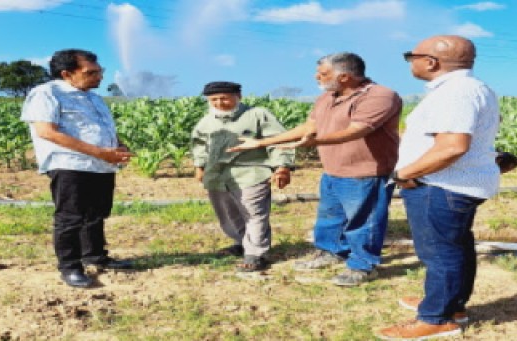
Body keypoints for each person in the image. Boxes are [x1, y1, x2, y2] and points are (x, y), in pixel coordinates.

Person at [229, 53, 402, 285]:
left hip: (366, 172)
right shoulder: (326, 97)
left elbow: (357, 130)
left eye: (323, 73)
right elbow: (309, 126)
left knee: (364, 221)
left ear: (344, 77)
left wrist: (315, 142)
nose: (316, 77)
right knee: (330, 217)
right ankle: (331, 252)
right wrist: (263, 143)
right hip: (333, 169)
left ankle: (363, 265)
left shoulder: (380, 96)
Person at [377, 36, 501, 340]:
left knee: (439, 252)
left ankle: (436, 318)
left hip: (440, 185)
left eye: (412, 55)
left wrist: (404, 173)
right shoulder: (471, 88)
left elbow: (452, 146)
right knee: (455, 246)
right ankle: (451, 304)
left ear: (431, 62)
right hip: (453, 185)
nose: (410, 62)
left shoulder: (455, 93)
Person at [21, 49, 134, 288]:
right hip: (70, 164)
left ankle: (95, 255)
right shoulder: (47, 93)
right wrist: (100, 152)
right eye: (91, 72)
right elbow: (47, 131)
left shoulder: (94, 98)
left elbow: (99, 129)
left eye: (99, 71)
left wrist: (117, 146)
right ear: (67, 73)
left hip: (101, 165)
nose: (99, 77)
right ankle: (70, 266)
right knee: (71, 217)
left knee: (96, 213)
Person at [191, 81, 295, 272]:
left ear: (239, 96)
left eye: (224, 98)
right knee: (228, 213)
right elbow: (199, 145)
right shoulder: (207, 120)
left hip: (251, 172)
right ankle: (240, 242)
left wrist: (282, 166)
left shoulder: (257, 115)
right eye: (214, 99)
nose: (219, 103)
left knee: (253, 213)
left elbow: (279, 141)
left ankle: (256, 254)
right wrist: (199, 166)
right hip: (217, 175)